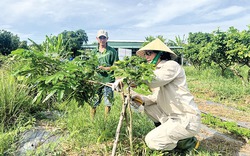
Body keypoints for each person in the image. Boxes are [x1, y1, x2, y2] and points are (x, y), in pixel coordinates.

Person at [131, 38, 201, 154]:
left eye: (149, 53)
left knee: (151, 140)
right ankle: (173, 137)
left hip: (185, 119)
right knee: (147, 106)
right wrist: (136, 97)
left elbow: (153, 80)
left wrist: (129, 79)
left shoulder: (171, 66)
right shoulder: (157, 70)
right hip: (172, 117)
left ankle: (183, 143)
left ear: (160, 54)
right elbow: (155, 98)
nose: (146, 57)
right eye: (145, 54)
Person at [91, 29, 119, 118]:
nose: (102, 40)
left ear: (107, 39)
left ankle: (106, 121)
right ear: (97, 39)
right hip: (97, 80)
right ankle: (92, 120)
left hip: (108, 80)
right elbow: (90, 66)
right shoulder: (93, 52)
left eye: (104, 38)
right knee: (94, 101)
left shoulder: (112, 52)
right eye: (100, 38)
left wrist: (105, 68)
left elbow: (116, 66)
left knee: (108, 102)